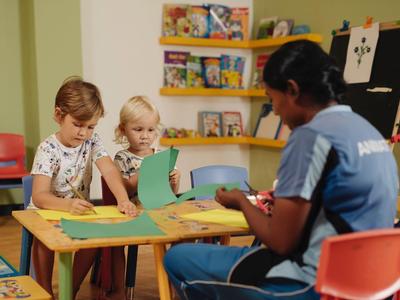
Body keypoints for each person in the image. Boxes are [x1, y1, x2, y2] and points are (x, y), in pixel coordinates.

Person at [163, 40, 399, 299]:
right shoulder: (370, 132)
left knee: (177, 257)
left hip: (314, 283)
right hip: (374, 283)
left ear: (292, 90)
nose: (274, 110)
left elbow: (281, 241)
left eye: (271, 98)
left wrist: (241, 201)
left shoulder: (309, 137)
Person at [30, 76, 136, 300]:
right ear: (59, 115)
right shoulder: (48, 148)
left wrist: (123, 199)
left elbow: (109, 171)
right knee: (43, 238)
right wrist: (67, 205)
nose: (83, 133)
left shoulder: (92, 141)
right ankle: (46, 292)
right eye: (78, 124)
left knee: (93, 239)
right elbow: (39, 197)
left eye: (90, 127)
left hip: (77, 211)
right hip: (47, 210)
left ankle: (70, 290)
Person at [114, 95, 181, 197]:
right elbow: (125, 191)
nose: (145, 136)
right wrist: (145, 172)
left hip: (160, 209)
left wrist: (175, 181)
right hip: (135, 210)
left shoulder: (160, 155)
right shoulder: (122, 158)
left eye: (150, 130)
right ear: (123, 129)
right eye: (138, 129)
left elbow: (172, 193)